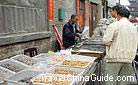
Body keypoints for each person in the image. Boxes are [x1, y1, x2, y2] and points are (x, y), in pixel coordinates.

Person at [103, 7, 138, 85]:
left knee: (111, 82)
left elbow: (106, 40)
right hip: (129, 60)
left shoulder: (114, 25)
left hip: (114, 59)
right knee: (123, 83)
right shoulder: (134, 28)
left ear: (118, 15)